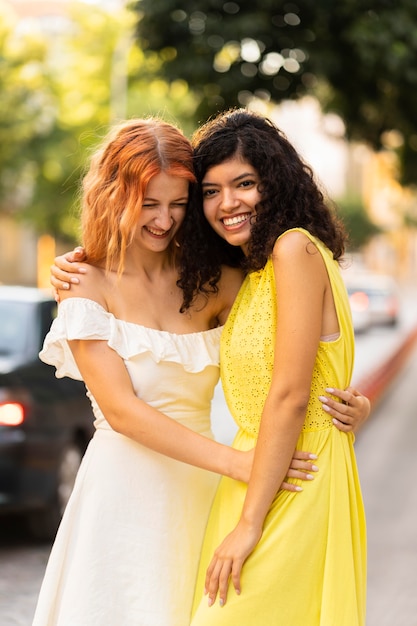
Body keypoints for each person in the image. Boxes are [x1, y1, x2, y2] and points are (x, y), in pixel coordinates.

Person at [34, 117, 350, 626]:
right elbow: (123, 411)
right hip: (125, 494)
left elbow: (293, 352)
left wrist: (347, 400)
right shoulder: (84, 284)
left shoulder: (215, 282)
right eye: (148, 204)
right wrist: (239, 464)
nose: (164, 220)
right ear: (114, 198)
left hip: (204, 496)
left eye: (179, 203)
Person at [175, 109, 367, 626]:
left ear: (274, 184)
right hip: (260, 470)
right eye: (211, 192)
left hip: (292, 479)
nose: (227, 203)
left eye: (244, 184)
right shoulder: (255, 271)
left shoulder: (293, 248)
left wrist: (249, 524)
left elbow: (290, 395)